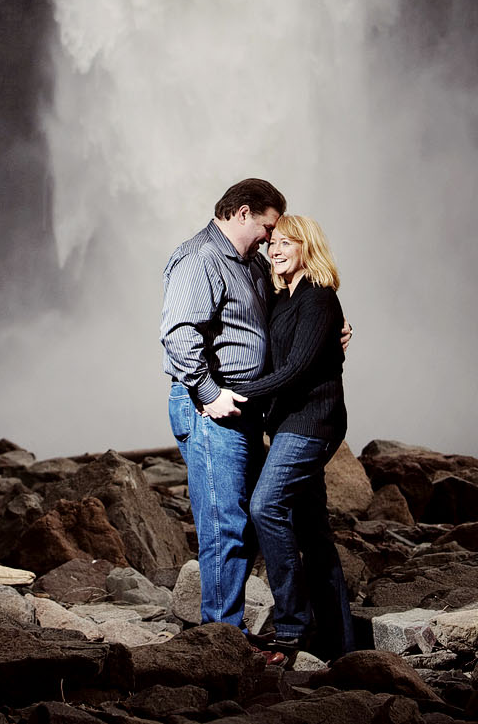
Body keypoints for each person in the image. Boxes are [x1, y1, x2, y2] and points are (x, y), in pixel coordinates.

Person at [213, 214, 354, 662]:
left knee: (265, 506)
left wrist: (236, 392)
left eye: (287, 243)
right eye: (274, 242)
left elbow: (296, 370)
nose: (275, 249)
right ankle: (338, 642)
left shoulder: (318, 298)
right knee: (312, 531)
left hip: (313, 421)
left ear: (307, 247)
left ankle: (292, 628)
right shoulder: (284, 296)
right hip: (289, 420)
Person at [160, 178, 286, 634]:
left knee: (247, 523)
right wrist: (209, 394)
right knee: (224, 527)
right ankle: (222, 641)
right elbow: (177, 334)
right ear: (242, 212)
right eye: (267, 227)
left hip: (242, 409)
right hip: (210, 407)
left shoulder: (248, 263)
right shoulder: (200, 258)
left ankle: (227, 632)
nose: (271, 237)